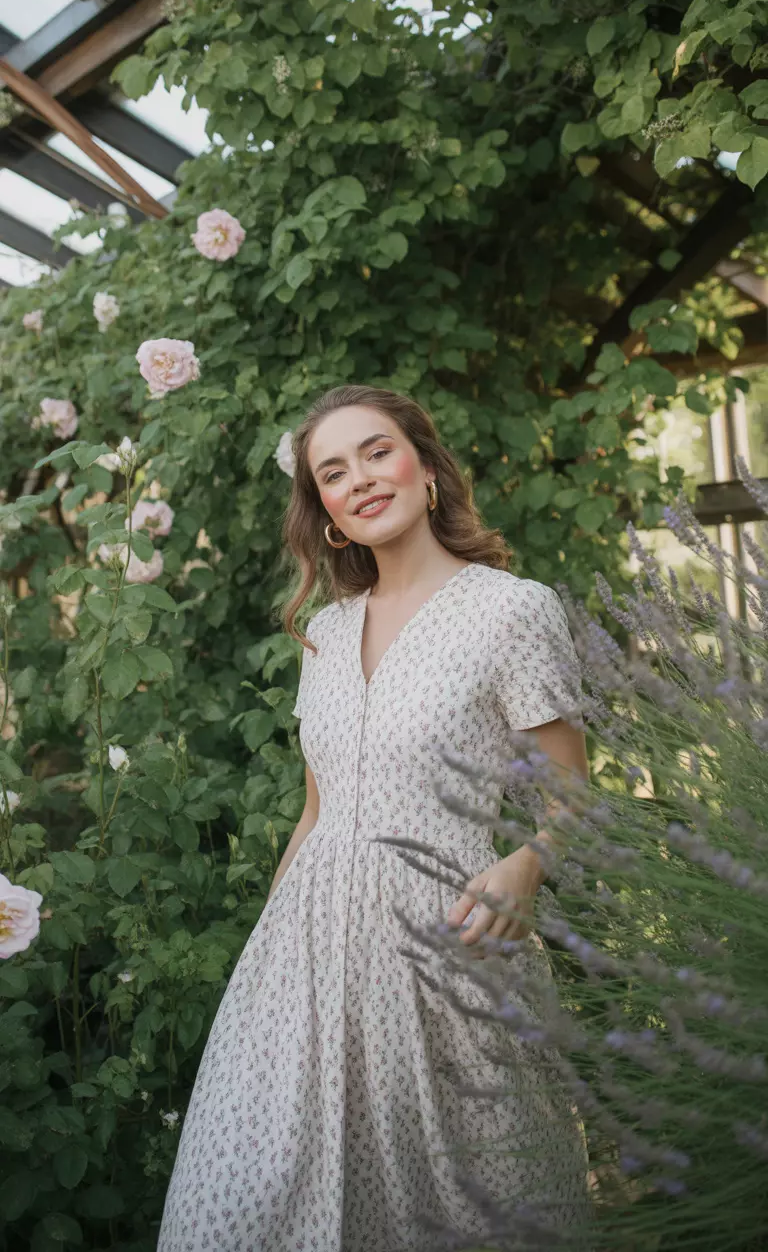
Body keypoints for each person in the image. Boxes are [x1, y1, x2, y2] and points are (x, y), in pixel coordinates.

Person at [158, 384, 592, 1252]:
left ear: (426, 470)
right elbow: (317, 811)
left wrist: (525, 865)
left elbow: (574, 794)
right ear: (322, 508)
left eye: (377, 452)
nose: (359, 478)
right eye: (332, 470)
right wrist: (268, 952)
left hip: (445, 954)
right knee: (244, 1204)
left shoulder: (512, 610)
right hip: (304, 966)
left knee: (463, 1207)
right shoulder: (322, 632)